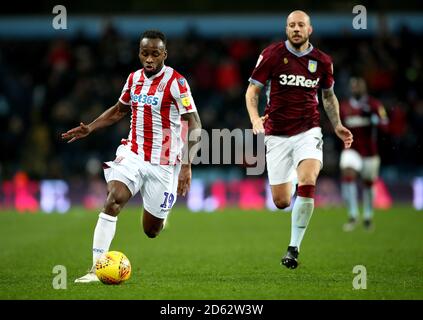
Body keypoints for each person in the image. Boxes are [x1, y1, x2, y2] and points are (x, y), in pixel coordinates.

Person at [62, 30, 202, 283]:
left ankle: (160, 211)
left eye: (155, 54)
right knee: (114, 199)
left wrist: (186, 165)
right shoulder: (133, 79)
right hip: (133, 152)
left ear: (164, 55)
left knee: (152, 230)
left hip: (164, 162)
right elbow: (118, 111)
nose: (149, 59)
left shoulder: (177, 82)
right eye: (144, 53)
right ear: (139, 53)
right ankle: (96, 268)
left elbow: (194, 123)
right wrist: (90, 127)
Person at [245, 10, 353, 269]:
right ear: (286, 30)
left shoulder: (323, 61)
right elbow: (252, 92)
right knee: (282, 201)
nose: (296, 29)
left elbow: (328, 97)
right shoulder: (271, 55)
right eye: (291, 25)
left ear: (309, 30)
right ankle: (292, 177)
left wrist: (337, 125)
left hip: (309, 131)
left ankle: (293, 248)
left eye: (300, 25)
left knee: (308, 180)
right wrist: (255, 119)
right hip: (277, 135)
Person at [340, 77, 389, 232]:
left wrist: (374, 119)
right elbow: (337, 126)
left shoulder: (375, 105)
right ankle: (353, 215)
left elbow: (386, 125)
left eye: (358, 86)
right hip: (351, 149)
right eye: (353, 86)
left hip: (370, 151)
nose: (356, 89)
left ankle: (368, 216)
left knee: (368, 183)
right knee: (348, 174)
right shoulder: (344, 106)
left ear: (365, 88)